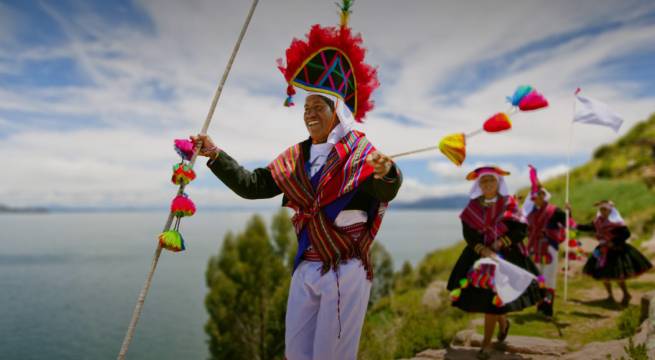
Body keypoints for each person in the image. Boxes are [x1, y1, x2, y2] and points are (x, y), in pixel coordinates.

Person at [193, 5, 402, 358]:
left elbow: (386, 188)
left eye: (318, 105)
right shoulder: (296, 158)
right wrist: (215, 154)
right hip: (306, 265)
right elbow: (254, 185)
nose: (309, 112)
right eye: (306, 107)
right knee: (297, 353)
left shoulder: (361, 155)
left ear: (338, 112)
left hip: (345, 267)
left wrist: (387, 172)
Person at [447, 166, 542, 359]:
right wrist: (484, 250)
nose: (487, 184)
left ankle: (486, 345)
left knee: (495, 299)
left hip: (507, 256)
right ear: (478, 185)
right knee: (490, 300)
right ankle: (503, 324)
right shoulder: (471, 208)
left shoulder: (509, 204)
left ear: (498, 182)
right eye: (483, 181)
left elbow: (521, 230)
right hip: (479, 256)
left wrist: (500, 242)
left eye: (491, 180)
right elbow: (469, 235)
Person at [576, 200, 652, 306]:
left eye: (605, 209)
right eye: (601, 209)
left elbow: (626, 234)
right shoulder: (598, 221)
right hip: (602, 250)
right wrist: (573, 224)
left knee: (618, 274)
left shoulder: (616, 223)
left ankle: (626, 294)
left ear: (610, 210)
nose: (603, 211)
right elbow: (587, 227)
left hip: (616, 250)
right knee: (603, 273)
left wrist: (613, 242)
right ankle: (610, 296)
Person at [522, 165, 567, 317]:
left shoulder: (555, 211)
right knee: (537, 276)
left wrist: (569, 212)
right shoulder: (530, 214)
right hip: (535, 247)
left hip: (549, 248)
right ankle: (540, 305)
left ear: (543, 195)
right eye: (533, 197)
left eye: (537, 196)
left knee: (549, 277)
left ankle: (548, 307)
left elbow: (568, 224)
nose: (535, 199)